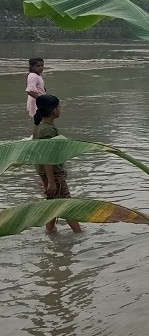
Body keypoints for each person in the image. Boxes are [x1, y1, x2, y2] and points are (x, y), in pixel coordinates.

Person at [33, 94, 82, 234]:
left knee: (52, 200)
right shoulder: (48, 130)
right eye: (59, 106)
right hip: (52, 173)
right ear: (53, 110)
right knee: (65, 203)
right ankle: (79, 234)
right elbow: (48, 156)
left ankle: (50, 230)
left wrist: (61, 168)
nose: (60, 109)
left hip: (47, 171)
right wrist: (52, 181)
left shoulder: (39, 126)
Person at [26, 58, 47, 130]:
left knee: (41, 121)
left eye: (42, 65)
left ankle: (38, 135)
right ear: (32, 67)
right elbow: (30, 91)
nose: (41, 68)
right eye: (38, 66)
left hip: (39, 101)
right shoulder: (33, 76)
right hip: (37, 102)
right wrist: (41, 99)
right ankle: (36, 137)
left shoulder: (37, 76)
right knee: (38, 121)